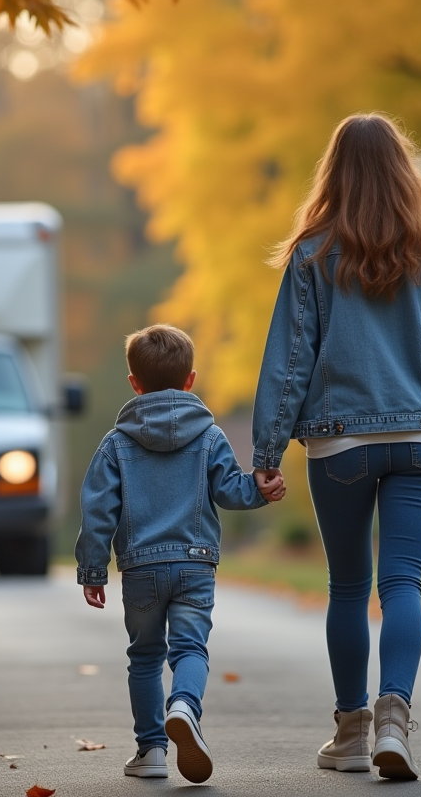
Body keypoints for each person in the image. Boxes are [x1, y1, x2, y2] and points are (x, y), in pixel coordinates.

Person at [250, 113, 421, 781]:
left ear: (335, 173)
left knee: (349, 587)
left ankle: (351, 733)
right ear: (402, 170)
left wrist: (268, 449)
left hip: (341, 443)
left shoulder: (311, 254)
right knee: (403, 581)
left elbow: (291, 361)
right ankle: (395, 721)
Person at [76, 323, 284, 784]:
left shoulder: (116, 443)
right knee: (190, 647)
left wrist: (92, 568)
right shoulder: (209, 437)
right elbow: (230, 491)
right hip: (195, 564)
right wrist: (261, 490)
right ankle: (185, 706)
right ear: (190, 379)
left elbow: (97, 510)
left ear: (135, 382)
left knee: (145, 656)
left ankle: (150, 750)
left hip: (141, 570)